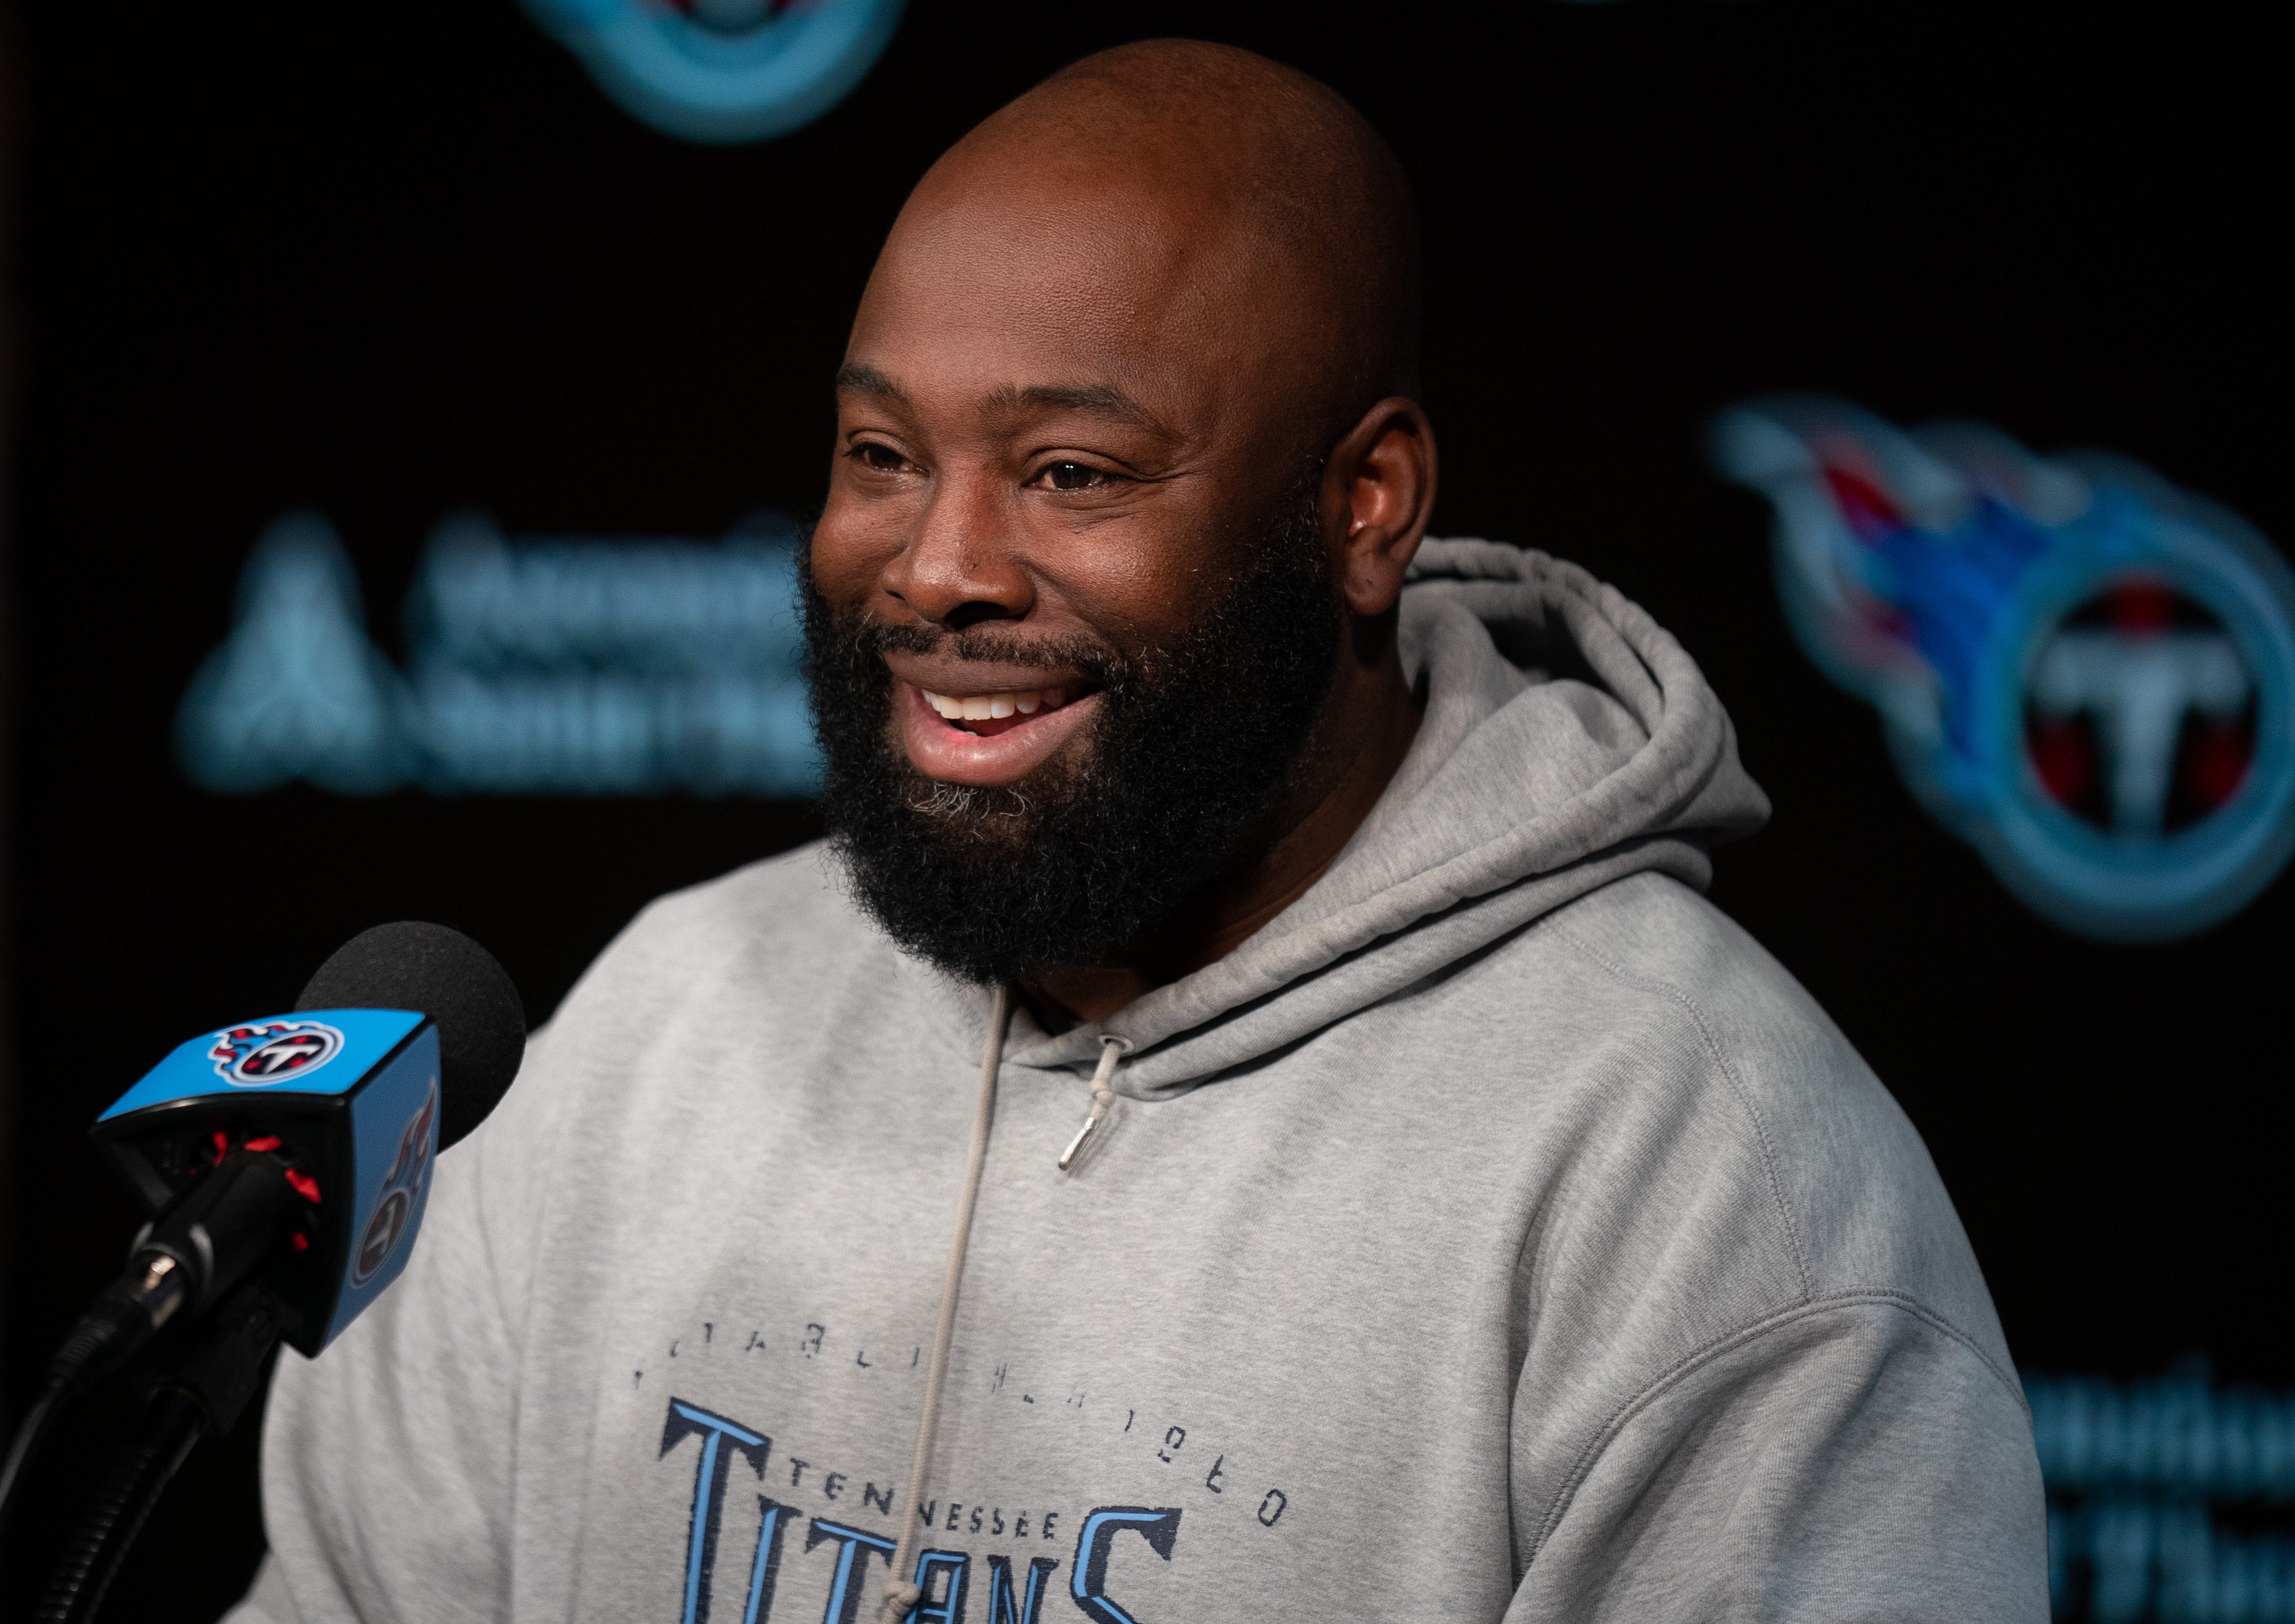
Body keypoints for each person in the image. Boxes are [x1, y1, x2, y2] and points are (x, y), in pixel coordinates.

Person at [230, 40, 2046, 1624]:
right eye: (879, 454)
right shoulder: (661, 1030)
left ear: (1364, 503)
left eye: (1071, 474)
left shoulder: (1704, 1188)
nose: (938, 564)